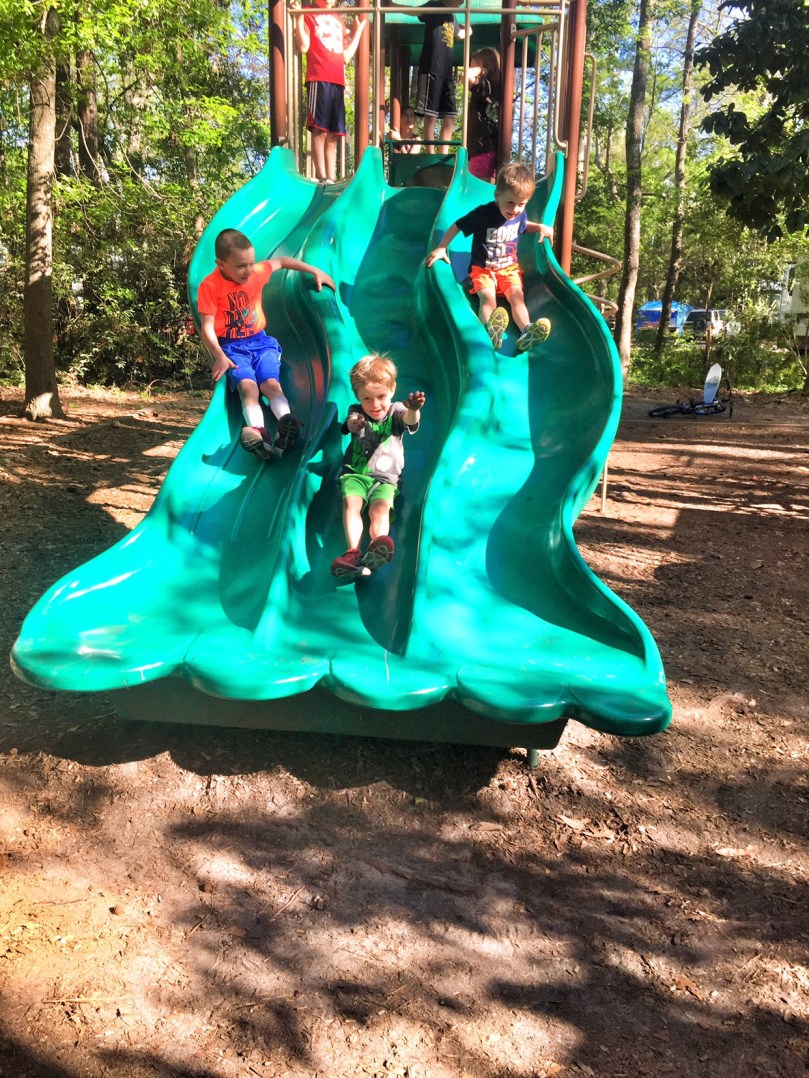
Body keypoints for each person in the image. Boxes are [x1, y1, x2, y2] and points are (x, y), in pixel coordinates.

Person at [197, 228, 335, 460]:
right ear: (221, 264)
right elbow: (207, 327)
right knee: (248, 388)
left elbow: (282, 261)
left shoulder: (256, 273)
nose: (248, 270)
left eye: (251, 263)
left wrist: (315, 271)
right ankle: (258, 433)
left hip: (261, 342)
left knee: (271, 384)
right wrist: (219, 355)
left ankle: (286, 423)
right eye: (241, 266)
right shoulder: (210, 286)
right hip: (232, 348)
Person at [425, 162, 554, 351]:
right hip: (483, 269)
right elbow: (458, 225)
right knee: (488, 298)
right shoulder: (483, 214)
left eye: (521, 204)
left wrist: (539, 227)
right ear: (497, 195)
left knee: (516, 297)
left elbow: (523, 227)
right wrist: (442, 246)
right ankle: (487, 331)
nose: (515, 209)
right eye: (510, 203)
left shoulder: (519, 214)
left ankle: (527, 331)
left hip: (508, 268)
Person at [331, 354, 425, 581]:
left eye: (381, 396)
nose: (374, 405)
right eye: (367, 398)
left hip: (386, 480)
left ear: (392, 390)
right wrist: (354, 423)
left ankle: (378, 546)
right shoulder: (357, 410)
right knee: (352, 505)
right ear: (358, 396)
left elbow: (410, 420)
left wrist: (414, 410)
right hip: (356, 474)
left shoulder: (397, 411)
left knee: (379, 510)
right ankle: (352, 552)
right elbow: (350, 423)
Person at [292, 0, 367, 183]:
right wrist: (299, 17)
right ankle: (322, 175)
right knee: (320, 129)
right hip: (319, 78)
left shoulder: (338, 19)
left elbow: (346, 56)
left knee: (333, 134)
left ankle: (331, 178)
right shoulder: (308, 12)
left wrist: (358, 32)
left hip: (338, 82)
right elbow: (303, 46)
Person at [414, 0, 470, 154]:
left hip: (446, 73)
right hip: (431, 68)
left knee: (451, 116)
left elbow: (459, 34)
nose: (461, 3)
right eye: (460, 0)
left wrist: (468, 31)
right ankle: (430, 154)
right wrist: (391, 6)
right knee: (430, 115)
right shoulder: (435, 5)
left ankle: (442, 153)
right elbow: (415, 11)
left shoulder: (452, 16)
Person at [466, 47, 500, 182]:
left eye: (472, 66)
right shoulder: (495, 86)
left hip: (483, 148)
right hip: (486, 148)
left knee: (478, 189)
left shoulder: (486, 86)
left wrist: (480, 70)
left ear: (480, 64)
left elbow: (466, 76)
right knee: (484, 188)